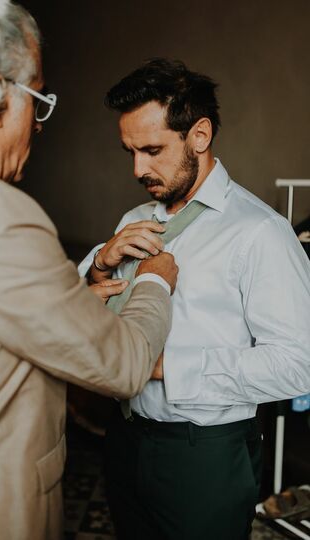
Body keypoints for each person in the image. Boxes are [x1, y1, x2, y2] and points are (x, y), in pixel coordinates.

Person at [0, 3, 179, 540]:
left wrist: (78, 293)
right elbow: (121, 363)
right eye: (38, 100)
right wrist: (153, 280)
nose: (39, 125)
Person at [79, 58, 310, 540]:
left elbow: (297, 364)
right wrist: (100, 263)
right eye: (130, 151)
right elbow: (80, 312)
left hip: (202, 454)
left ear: (199, 136)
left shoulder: (260, 232)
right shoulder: (133, 218)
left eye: (152, 150)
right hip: (123, 439)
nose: (138, 168)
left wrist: (161, 366)